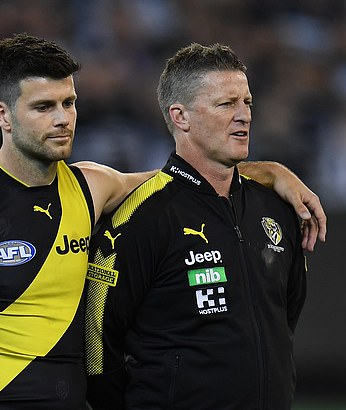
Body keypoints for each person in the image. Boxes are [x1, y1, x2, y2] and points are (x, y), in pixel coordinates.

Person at [0, 34, 325, 409]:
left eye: (69, 103)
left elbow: (187, 178)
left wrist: (271, 172)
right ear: (1, 114)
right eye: (44, 107)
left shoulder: (90, 186)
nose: (63, 118)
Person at [84, 43, 311, 409]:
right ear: (181, 117)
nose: (244, 116)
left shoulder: (278, 211)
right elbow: (96, 347)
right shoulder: (142, 218)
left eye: (247, 102)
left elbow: (284, 319)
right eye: (226, 104)